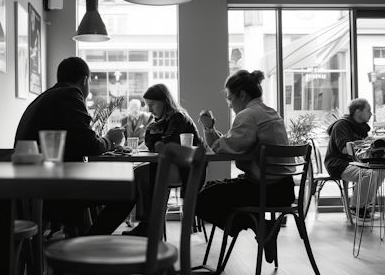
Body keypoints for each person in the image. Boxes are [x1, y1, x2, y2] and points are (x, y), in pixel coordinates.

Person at [195, 70, 294, 264]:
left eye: (229, 98)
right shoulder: (270, 112)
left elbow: (224, 149)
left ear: (241, 95)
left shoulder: (248, 115)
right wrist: (212, 130)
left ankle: (259, 227)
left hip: (265, 190)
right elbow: (231, 145)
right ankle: (261, 227)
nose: (230, 104)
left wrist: (208, 128)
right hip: (284, 188)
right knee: (211, 189)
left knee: (200, 200)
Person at [14, 56, 125, 229]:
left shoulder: (42, 98)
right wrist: (111, 140)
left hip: (29, 190)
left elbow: (78, 140)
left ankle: (84, 238)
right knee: (127, 192)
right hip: (56, 191)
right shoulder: (71, 94)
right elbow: (89, 145)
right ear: (85, 80)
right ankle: (90, 243)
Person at [87, 83, 204, 237]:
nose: (149, 109)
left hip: (185, 170)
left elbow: (165, 145)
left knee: (141, 174)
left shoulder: (178, 116)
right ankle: (148, 224)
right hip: (173, 166)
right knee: (137, 173)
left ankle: (149, 225)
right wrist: (152, 130)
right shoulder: (162, 120)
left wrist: (155, 134)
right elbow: (151, 144)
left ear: (165, 100)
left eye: (152, 104)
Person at [324, 98, 385, 220]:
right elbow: (344, 149)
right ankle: (356, 208)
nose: (371, 113)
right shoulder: (341, 124)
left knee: (381, 171)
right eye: (368, 110)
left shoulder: (361, 127)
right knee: (369, 173)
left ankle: (363, 206)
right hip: (338, 163)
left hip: (355, 162)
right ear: (358, 111)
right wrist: (364, 143)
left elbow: (362, 150)